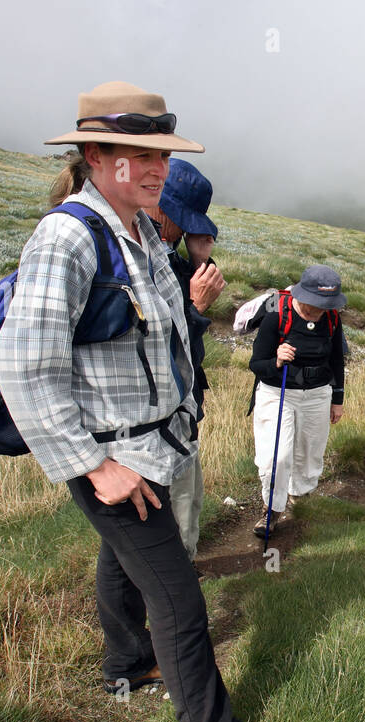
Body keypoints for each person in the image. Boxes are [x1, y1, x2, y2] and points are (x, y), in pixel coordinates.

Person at [0, 81, 283, 722]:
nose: (155, 168)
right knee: (181, 602)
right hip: (115, 459)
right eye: (138, 153)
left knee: (125, 563)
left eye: (162, 153)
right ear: (95, 154)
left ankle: (127, 666)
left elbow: (160, 341)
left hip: (158, 447)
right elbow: (24, 370)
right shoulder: (67, 237)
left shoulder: (142, 234)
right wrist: (94, 467)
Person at [146, 158, 225, 559]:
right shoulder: (140, 262)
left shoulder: (169, 260)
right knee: (169, 522)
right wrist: (195, 310)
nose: (183, 230)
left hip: (181, 416)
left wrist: (198, 261)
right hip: (155, 425)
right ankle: (169, 598)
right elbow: (163, 350)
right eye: (182, 221)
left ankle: (171, 586)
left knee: (187, 505)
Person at [247, 265, 346, 537]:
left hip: (317, 395)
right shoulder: (276, 318)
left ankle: (298, 496)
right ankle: (272, 510)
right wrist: (277, 360)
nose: (318, 310)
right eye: (315, 304)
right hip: (278, 393)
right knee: (276, 457)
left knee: (308, 453)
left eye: (324, 305)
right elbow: (256, 364)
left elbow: (337, 360)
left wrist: (337, 399)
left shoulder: (332, 319)